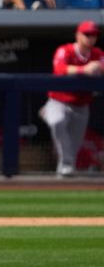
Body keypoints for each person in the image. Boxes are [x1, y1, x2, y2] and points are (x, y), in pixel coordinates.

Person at [39, 20, 103, 177]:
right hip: (58, 100)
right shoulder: (66, 50)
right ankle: (66, 165)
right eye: (87, 34)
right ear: (78, 35)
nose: (90, 38)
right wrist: (84, 69)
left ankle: (63, 174)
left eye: (93, 35)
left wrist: (99, 69)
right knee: (57, 121)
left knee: (73, 145)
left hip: (81, 105)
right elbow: (59, 69)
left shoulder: (98, 54)